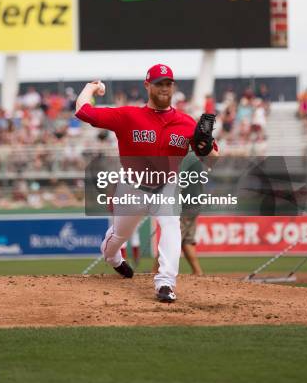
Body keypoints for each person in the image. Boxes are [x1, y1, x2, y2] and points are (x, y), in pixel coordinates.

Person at [75, 64, 218, 303]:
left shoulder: (186, 123)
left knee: (171, 226)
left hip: (167, 187)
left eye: (168, 83)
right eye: (159, 83)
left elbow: (213, 158)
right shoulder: (128, 116)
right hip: (132, 187)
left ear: (173, 87)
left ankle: (165, 283)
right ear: (147, 85)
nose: (164, 88)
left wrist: (206, 147)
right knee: (119, 237)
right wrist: (91, 87)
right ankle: (112, 258)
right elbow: (83, 111)